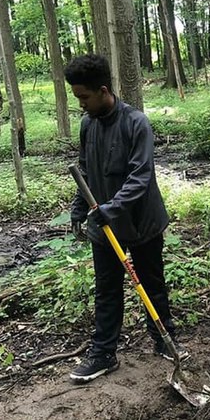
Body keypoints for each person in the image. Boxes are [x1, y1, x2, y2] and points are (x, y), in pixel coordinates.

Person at [66, 54, 179, 382]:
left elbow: (140, 177)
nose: (81, 105)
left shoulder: (136, 123)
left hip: (142, 222)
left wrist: (110, 209)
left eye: (84, 97)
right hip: (103, 226)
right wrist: (79, 208)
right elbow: (84, 170)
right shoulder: (88, 124)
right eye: (77, 98)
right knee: (107, 289)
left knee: (152, 284)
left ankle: (164, 340)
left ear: (103, 90)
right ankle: (103, 353)